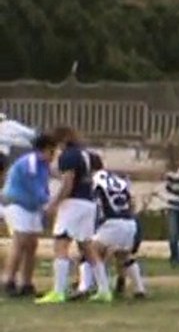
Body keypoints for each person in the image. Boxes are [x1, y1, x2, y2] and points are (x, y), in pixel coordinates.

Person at [36, 126, 113, 304]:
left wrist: (54, 204)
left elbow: (68, 183)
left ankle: (59, 291)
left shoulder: (68, 156)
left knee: (61, 244)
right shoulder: (85, 154)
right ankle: (104, 289)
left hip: (73, 203)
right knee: (87, 247)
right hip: (88, 202)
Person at [1, 133, 57, 297]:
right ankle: (8, 280)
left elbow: (43, 186)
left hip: (32, 207)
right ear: (45, 149)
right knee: (20, 241)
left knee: (32, 244)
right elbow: (35, 188)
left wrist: (45, 201)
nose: (53, 155)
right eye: (52, 151)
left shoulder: (44, 165)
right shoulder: (31, 162)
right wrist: (49, 203)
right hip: (17, 204)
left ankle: (26, 283)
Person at [88, 153, 147, 299]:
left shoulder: (94, 180)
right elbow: (130, 201)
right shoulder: (117, 179)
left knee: (92, 251)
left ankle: (103, 289)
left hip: (112, 221)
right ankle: (139, 288)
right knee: (124, 255)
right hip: (129, 221)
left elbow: (96, 204)